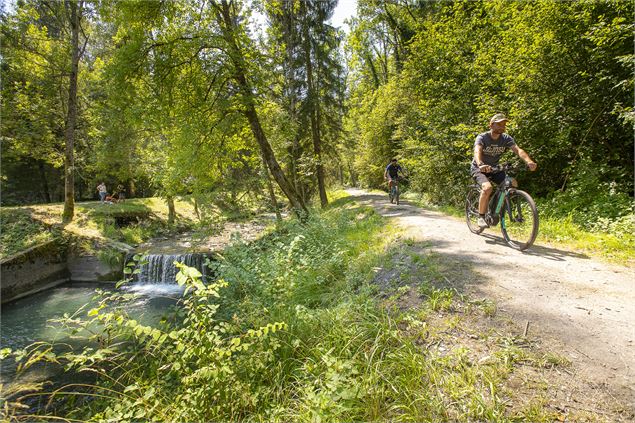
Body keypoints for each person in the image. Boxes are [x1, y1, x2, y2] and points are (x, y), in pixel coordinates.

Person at [471, 113, 537, 228]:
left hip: (494, 169)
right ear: (491, 125)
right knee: (488, 187)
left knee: (512, 183)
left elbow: (518, 150)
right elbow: (477, 151)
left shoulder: (506, 138)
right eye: (499, 124)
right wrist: (481, 164)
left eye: (504, 124)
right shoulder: (482, 137)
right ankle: (481, 217)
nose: (502, 126)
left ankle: (498, 212)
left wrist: (529, 161)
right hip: (479, 168)